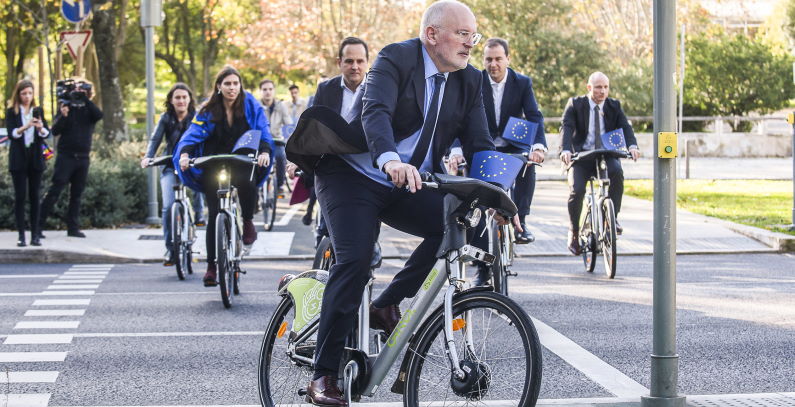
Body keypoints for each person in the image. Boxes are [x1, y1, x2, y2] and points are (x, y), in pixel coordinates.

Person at [304, 2, 503, 404]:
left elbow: (481, 145)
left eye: (473, 35)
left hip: (405, 182)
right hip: (352, 176)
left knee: (458, 223)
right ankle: (323, 376)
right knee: (356, 260)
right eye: (462, 34)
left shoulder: (470, 81)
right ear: (432, 34)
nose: (470, 44)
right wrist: (389, 159)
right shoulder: (396, 58)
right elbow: (375, 112)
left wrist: (501, 197)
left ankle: (387, 303)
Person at [451, 37, 547, 285]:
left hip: (513, 145)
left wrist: (538, 146)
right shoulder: (474, 80)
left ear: (508, 59)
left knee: (527, 166)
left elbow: (534, 115)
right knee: (478, 203)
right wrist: (455, 149)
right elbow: (456, 117)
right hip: (483, 147)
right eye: (488, 59)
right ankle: (483, 270)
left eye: (498, 59)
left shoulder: (522, 82)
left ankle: (521, 222)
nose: (493, 64)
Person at [175, 66, 273, 286]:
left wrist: (265, 152)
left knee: (248, 182)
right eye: (227, 84)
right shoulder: (207, 109)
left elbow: (262, 129)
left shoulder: (250, 105)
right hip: (215, 161)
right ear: (219, 86)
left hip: (241, 159)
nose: (232, 88)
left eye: (235, 83)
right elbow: (192, 134)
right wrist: (184, 155)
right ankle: (211, 267)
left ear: (240, 86)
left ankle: (247, 221)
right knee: (214, 216)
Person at [560, 71, 640, 255]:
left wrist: (632, 145)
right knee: (577, 190)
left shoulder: (614, 106)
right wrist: (565, 150)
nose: (602, 91)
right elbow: (567, 127)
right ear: (589, 88)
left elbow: (625, 127)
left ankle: (612, 219)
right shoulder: (576, 104)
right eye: (598, 87)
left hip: (605, 154)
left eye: (605, 87)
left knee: (617, 174)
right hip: (581, 156)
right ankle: (573, 232)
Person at [303, 37, 370, 232]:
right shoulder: (325, 89)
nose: (355, 66)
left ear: (367, 62)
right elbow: (313, 128)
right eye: (349, 61)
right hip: (332, 166)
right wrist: (298, 159)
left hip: (366, 169)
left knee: (366, 229)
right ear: (339, 62)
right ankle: (322, 243)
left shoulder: (377, 90)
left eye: (360, 61)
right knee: (327, 226)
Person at [140, 83, 207, 266]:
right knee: (169, 207)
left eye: (184, 97)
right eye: (177, 97)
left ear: (189, 100)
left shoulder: (196, 117)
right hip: (170, 164)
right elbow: (155, 139)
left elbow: (205, 136)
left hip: (191, 163)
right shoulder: (165, 118)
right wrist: (148, 157)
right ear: (171, 100)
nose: (181, 101)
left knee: (200, 181)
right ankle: (171, 250)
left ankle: (199, 215)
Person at [39, 77, 103, 238]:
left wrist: (84, 99)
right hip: (66, 157)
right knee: (55, 190)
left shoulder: (89, 109)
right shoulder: (65, 107)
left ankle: (72, 228)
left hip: (83, 158)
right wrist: (63, 115)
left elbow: (98, 115)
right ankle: (38, 225)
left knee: (76, 194)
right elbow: (55, 131)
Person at [6, 79, 49, 247]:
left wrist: (39, 127)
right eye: (24, 93)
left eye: (30, 93)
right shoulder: (12, 112)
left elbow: (46, 132)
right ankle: (21, 235)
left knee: (35, 196)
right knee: (20, 197)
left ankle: (35, 235)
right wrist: (26, 126)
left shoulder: (37, 110)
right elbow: (12, 134)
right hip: (19, 158)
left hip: (35, 157)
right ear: (18, 94)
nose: (27, 96)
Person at [260, 79, 293, 193]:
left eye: (270, 89)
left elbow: (288, 125)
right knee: (255, 161)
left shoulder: (281, 106)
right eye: (264, 89)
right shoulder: (257, 106)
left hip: (277, 140)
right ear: (261, 91)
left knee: (280, 156)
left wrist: (290, 141)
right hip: (261, 142)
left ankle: (280, 185)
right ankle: (257, 188)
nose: (267, 92)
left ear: (274, 91)